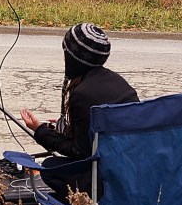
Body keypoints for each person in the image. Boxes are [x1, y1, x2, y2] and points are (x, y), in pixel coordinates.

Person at [20, 23, 139, 193]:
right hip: (131, 168)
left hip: (106, 176)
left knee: (50, 168)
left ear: (74, 58)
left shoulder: (82, 94)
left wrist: (40, 131)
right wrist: (67, 129)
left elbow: (80, 153)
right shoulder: (119, 82)